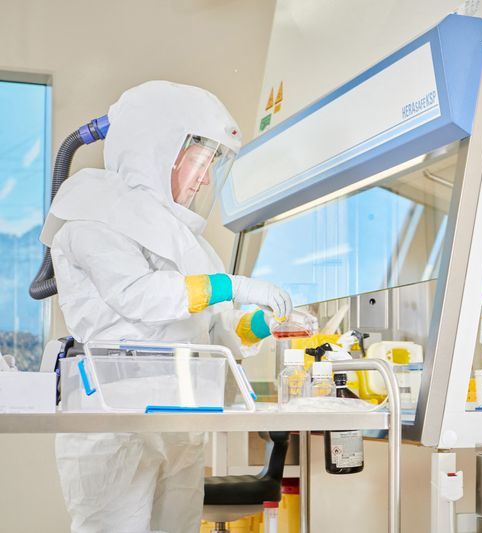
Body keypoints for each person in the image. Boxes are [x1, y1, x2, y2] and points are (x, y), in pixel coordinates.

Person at [39, 81, 292, 533]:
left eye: (213, 164)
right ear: (156, 148)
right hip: (115, 426)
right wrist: (231, 285)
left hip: (179, 422)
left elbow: (214, 331)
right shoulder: (91, 220)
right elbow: (139, 294)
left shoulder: (187, 245)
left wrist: (260, 323)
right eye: (201, 159)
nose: (205, 178)